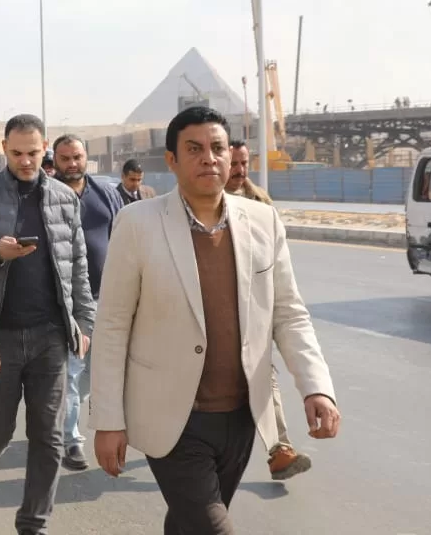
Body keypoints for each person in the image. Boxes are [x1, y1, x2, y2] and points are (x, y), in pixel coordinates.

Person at [91, 106, 340, 535]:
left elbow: (288, 313)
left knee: (190, 523)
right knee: (211, 527)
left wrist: (316, 386)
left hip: (241, 416)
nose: (209, 158)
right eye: (194, 149)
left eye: (218, 148)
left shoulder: (263, 220)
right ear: (172, 160)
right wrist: (108, 420)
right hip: (172, 418)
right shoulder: (137, 224)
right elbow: (112, 326)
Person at [0, 113, 95, 535]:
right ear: (3, 149)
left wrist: (84, 322)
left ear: (45, 147)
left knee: (49, 436)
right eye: (16, 153)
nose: (25, 160)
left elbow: (78, 265)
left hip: (50, 334)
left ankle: (33, 523)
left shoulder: (64, 198)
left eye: (33, 152)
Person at [226, 139, 312, 480]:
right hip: (208, 312)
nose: (239, 170)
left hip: (254, 309)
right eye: (233, 163)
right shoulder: (200, 204)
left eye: (243, 163)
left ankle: (280, 451)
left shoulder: (260, 201)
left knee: (263, 374)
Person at [50, 134, 123, 471]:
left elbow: (122, 238)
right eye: (64, 158)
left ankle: (59, 417)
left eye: (77, 157)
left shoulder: (107, 193)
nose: (72, 164)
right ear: (55, 160)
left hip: (108, 299)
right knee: (73, 368)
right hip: (68, 302)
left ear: (86, 157)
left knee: (95, 373)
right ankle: (71, 441)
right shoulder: (46, 196)